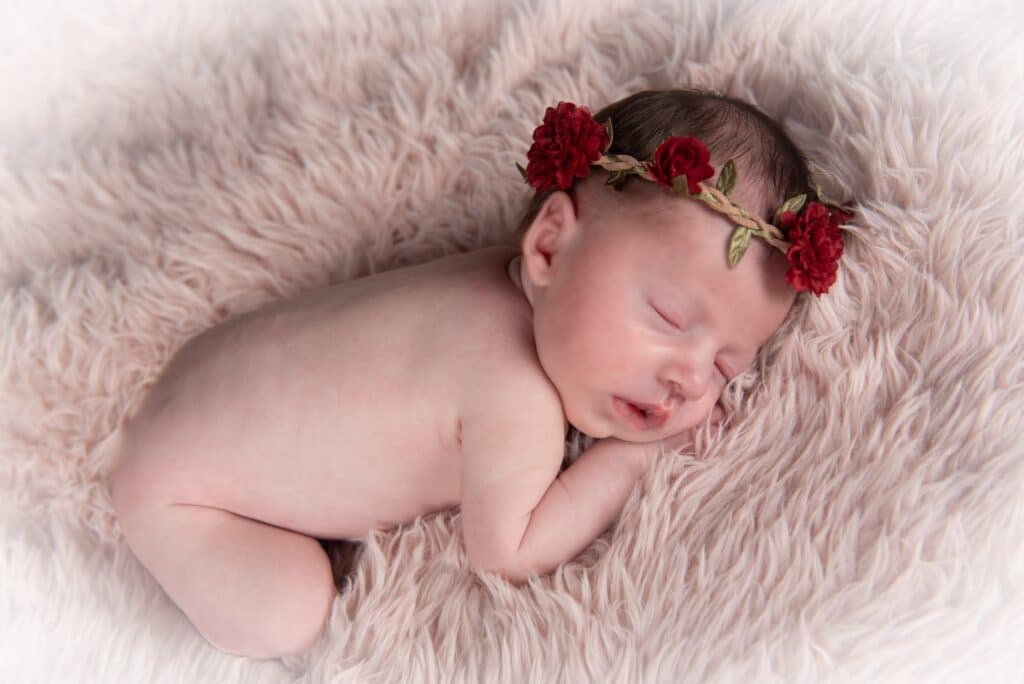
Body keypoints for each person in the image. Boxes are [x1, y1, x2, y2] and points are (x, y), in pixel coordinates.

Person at [105, 88, 854, 659]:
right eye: (665, 317)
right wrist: (636, 456)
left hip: (207, 375)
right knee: (288, 613)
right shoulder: (512, 394)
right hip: (182, 489)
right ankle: (159, 520)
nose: (688, 380)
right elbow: (508, 548)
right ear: (551, 247)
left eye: (727, 367)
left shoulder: (495, 283)